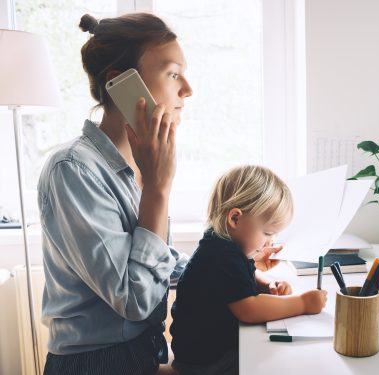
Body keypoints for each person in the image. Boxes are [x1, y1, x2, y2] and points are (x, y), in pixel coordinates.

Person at [38, 12, 283, 374]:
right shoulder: (72, 170)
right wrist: (157, 188)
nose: (187, 89)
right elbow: (135, 299)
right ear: (120, 83)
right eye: (172, 73)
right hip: (96, 364)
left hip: (145, 354)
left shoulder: (135, 165)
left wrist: (232, 275)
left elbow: (157, 262)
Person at [170, 165, 328, 375]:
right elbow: (249, 310)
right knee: (278, 363)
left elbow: (243, 277)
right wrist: (303, 303)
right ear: (235, 218)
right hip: (205, 364)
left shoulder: (221, 244)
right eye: (267, 232)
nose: (269, 241)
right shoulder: (222, 255)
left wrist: (266, 285)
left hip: (204, 354)